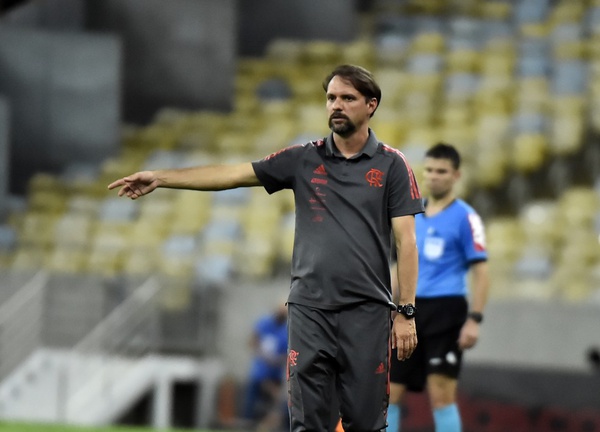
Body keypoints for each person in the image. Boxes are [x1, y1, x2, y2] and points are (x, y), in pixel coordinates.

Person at [108, 64, 424, 432]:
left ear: (371, 105)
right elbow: (233, 174)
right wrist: (162, 177)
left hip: (367, 314)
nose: (336, 105)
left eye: (347, 98)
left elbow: (407, 241)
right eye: (331, 98)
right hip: (310, 311)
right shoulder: (304, 158)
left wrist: (406, 313)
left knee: (366, 426)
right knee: (306, 424)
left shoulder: (392, 165)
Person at [387, 143, 490, 432]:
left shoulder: (467, 218)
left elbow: (481, 272)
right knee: (391, 392)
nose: (434, 176)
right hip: (409, 309)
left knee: (441, 394)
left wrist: (475, 319)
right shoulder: (411, 213)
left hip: (447, 310)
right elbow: (399, 265)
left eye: (441, 171)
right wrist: (389, 305)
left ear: (456, 175)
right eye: (429, 170)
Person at [242, 302, 289, 431]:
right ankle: (248, 423)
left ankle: (273, 426)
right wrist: (263, 355)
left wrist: (276, 360)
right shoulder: (264, 323)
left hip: (276, 372)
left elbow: (287, 355)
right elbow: (252, 341)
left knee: (279, 402)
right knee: (252, 397)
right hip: (260, 371)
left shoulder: (286, 329)